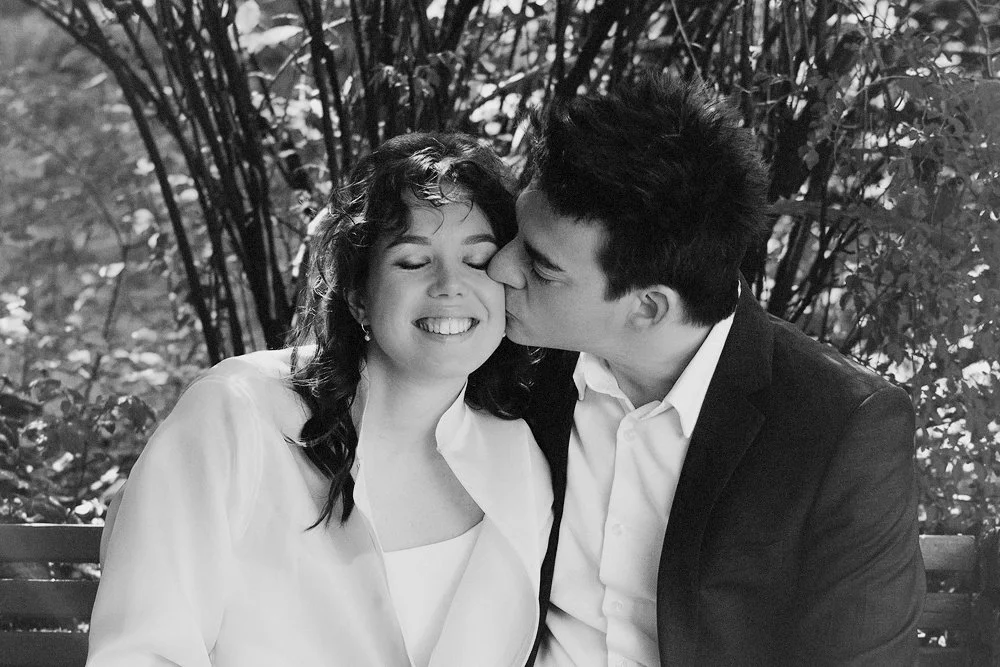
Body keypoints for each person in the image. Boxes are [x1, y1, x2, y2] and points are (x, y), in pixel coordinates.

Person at [487, 74, 925, 666]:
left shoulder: (840, 427)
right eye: (515, 234)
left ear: (648, 307)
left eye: (541, 267)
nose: (499, 267)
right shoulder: (516, 360)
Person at [87, 132, 553, 667]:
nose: (450, 285)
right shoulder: (238, 409)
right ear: (358, 295)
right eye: (412, 262)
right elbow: (141, 648)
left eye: (478, 260)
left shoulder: (518, 460)